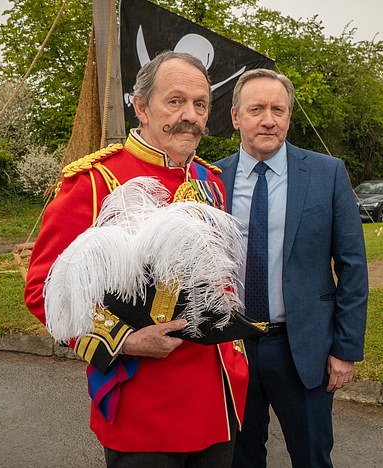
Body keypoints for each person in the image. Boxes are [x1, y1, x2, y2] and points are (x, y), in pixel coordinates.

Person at [24, 51, 248, 467]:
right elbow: (42, 292)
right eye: (175, 101)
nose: (190, 115)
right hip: (144, 411)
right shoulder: (93, 182)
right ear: (140, 107)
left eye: (200, 105)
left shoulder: (208, 179)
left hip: (218, 400)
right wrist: (125, 341)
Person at [215, 69, 368, 468]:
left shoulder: (327, 173)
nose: (269, 119)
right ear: (235, 117)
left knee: (313, 457)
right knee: (240, 459)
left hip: (305, 349)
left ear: (288, 116)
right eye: (257, 109)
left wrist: (346, 349)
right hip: (234, 347)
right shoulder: (210, 178)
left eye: (278, 109)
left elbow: (352, 266)